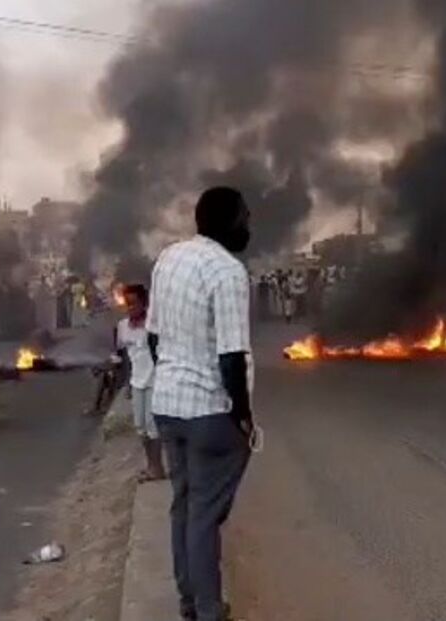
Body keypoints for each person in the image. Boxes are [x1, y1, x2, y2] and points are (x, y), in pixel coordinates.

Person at [149, 186, 253, 621]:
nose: (249, 226)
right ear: (231, 221)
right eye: (246, 218)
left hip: (167, 405)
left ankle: (189, 602)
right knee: (205, 513)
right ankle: (209, 610)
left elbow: (154, 337)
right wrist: (243, 416)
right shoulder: (228, 271)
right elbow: (231, 356)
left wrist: (173, 374)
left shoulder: (168, 258)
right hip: (210, 410)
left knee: (185, 504)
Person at [117, 284, 165, 483]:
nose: (130, 307)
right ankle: (151, 465)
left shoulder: (153, 326)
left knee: (153, 427)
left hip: (155, 380)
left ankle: (157, 467)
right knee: (141, 428)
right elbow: (125, 357)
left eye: (134, 303)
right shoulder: (122, 327)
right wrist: (127, 383)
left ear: (144, 303)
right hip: (137, 382)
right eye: (127, 304)